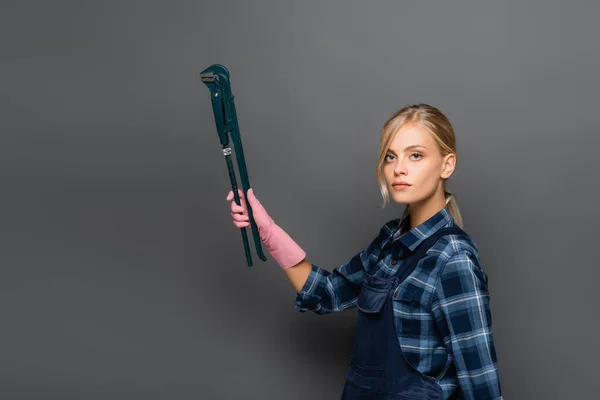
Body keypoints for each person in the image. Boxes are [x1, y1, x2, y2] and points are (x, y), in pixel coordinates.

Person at [226, 104, 503, 399]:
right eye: (390, 156)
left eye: (416, 155)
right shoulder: (388, 243)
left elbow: (480, 380)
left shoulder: (453, 258)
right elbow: (327, 293)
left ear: (446, 165)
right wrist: (267, 230)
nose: (399, 168)